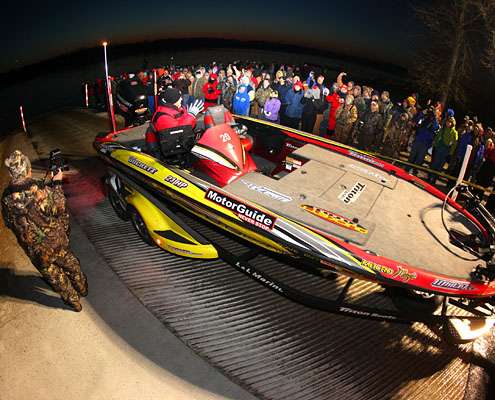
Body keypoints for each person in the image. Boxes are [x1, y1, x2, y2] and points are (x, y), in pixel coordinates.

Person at [2, 151, 88, 311]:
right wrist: (56, 183)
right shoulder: (40, 192)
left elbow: (9, 223)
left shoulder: (6, 198)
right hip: (56, 245)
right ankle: (83, 289)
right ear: (27, 170)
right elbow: (59, 207)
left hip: (35, 251)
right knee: (72, 266)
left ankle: (74, 303)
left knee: (56, 279)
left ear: (11, 173)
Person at [145, 87, 204, 158]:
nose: (181, 99)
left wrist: (187, 114)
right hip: (171, 152)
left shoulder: (175, 109)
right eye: (179, 98)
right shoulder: (163, 116)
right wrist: (191, 115)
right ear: (173, 100)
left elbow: (183, 122)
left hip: (180, 144)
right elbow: (178, 131)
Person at [428, 116, 458, 184]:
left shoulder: (454, 133)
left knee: (440, 165)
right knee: (434, 163)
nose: (448, 123)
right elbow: (437, 137)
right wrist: (434, 145)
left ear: (453, 123)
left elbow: (454, 144)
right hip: (439, 148)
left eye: (450, 122)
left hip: (446, 151)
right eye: (447, 121)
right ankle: (430, 176)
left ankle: (434, 179)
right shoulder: (443, 129)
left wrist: (450, 153)